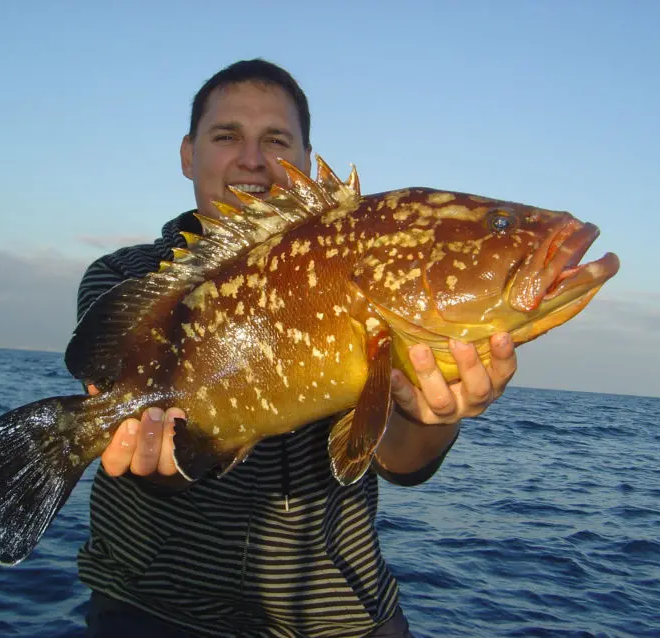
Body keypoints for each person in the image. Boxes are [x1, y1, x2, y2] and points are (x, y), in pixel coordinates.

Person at [76, 59, 517, 637]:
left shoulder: (368, 270)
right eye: (227, 135)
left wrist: (434, 413)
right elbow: (155, 454)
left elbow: (398, 462)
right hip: (151, 609)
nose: (252, 159)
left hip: (343, 620)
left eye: (276, 140)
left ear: (307, 161)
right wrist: (163, 455)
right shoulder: (126, 278)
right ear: (189, 154)